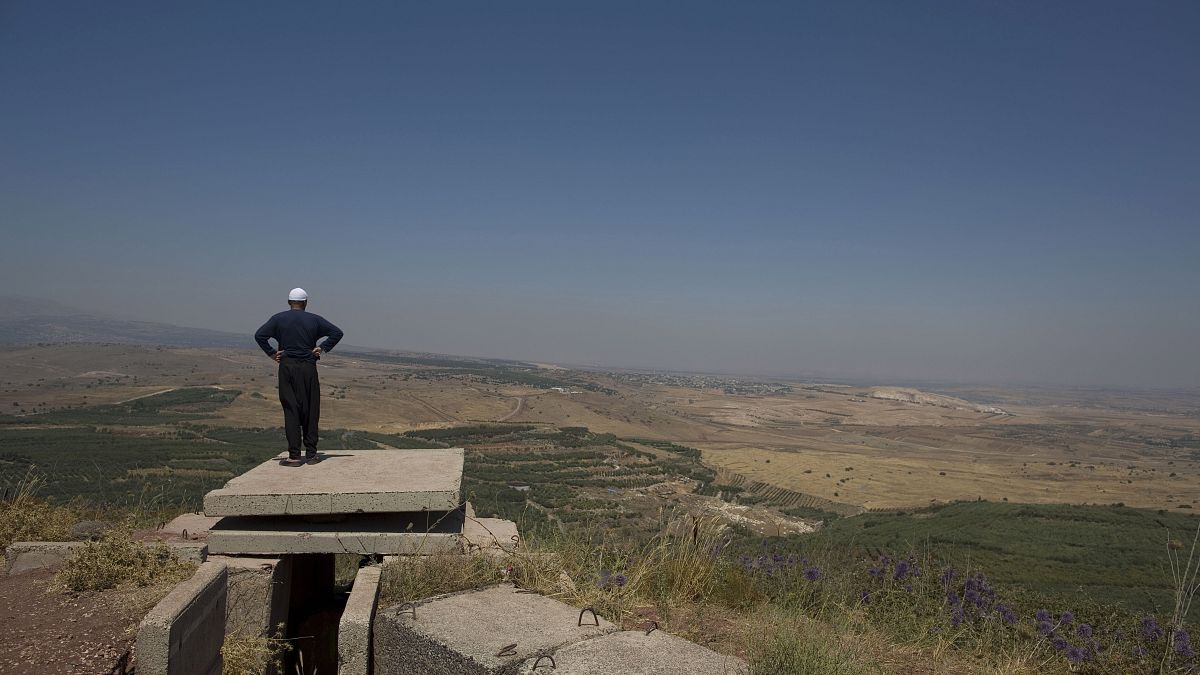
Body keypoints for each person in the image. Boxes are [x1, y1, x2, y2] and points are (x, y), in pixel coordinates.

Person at [254, 288, 344, 466]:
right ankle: (311, 455)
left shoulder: (278, 319)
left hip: (287, 367)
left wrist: (272, 354)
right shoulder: (314, 319)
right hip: (308, 367)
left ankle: (294, 456)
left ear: (289, 302)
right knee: (311, 408)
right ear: (305, 303)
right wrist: (322, 347)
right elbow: (337, 333)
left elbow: (259, 335)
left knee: (291, 409)